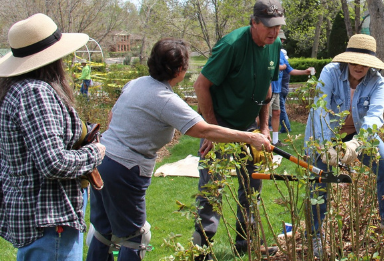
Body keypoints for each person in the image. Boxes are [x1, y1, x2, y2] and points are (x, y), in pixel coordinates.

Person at [86, 39, 271, 261]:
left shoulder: (136, 84)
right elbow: (203, 129)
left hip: (100, 161)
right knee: (134, 238)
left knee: (103, 232)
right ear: (179, 70)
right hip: (124, 169)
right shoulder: (165, 99)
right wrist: (251, 136)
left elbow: (112, 116)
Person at [0, 13, 105, 260]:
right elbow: (55, 163)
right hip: (50, 218)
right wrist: (95, 152)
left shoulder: (10, 89)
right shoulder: (36, 92)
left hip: (35, 216)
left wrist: (16, 165)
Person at [191, 0, 284, 257]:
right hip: (220, 126)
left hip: (249, 129)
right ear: (254, 22)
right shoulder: (232, 45)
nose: (274, 32)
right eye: (268, 26)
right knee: (212, 190)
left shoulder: (274, 44)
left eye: (277, 26)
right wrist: (211, 129)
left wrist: (264, 127)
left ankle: (246, 244)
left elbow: (267, 86)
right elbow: (201, 86)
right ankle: (201, 252)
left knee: (252, 187)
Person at [305, 34, 384, 256]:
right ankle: (315, 235)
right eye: (354, 61)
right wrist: (325, 147)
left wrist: (357, 143)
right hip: (326, 135)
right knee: (319, 181)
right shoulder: (330, 72)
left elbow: (375, 116)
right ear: (347, 59)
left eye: (364, 63)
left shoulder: (378, 82)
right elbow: (320, 109)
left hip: (359, 135)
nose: (358, 67)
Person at [273, 32, 314, 138]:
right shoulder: (266, 50)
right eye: (280, 39)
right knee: (264, 116)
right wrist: (281, 67)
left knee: (277, 112)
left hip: (277, 89)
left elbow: (290, 70)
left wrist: (305, 72)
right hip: (267, 89)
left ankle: (275, 140)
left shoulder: (281, 54)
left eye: (282, 40)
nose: (281, 42)